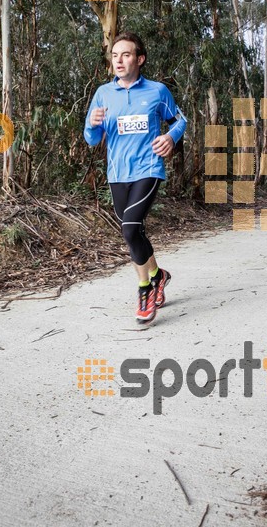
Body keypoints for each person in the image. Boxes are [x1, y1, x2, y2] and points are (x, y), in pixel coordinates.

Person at [84, 32, 187, 324]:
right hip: (118, 173)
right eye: (115, 55)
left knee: (129, 229)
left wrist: (170, 136)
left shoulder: (157, 91)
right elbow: (92, 139)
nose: (119, 60)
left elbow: (180, 120)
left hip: (148, 168)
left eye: (126, 55)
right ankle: (159, 274)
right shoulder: (103, 94)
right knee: (135, 232)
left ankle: (145, 289)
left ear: (139, 59)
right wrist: (92, 125)